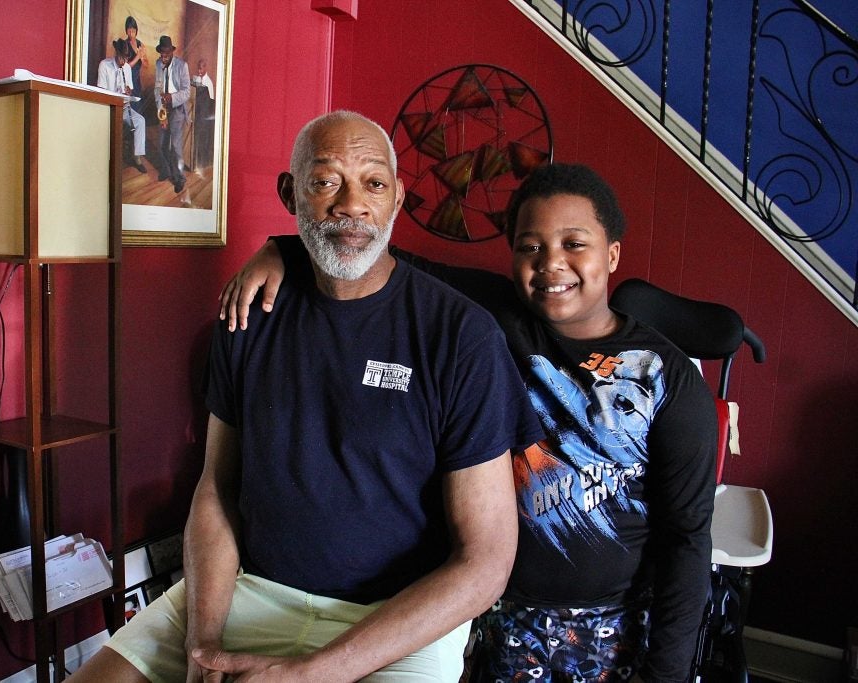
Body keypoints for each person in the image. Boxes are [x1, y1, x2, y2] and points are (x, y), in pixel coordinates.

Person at [69, 110, 543, 682]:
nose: (351, 204)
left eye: (373, 184)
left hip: (395, 620)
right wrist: (205, 647)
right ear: (290, 193)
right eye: (325, 182)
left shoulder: (462, 337)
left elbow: (486, 561)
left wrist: (312, 673)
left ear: (396, 201)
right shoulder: (248, 314)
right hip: (252, 590)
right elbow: (217, 488)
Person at [219, 163, 718, 682]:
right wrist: (283, 249)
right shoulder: (489, 318)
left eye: (575, 244)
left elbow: (687, 538)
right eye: (530, 247)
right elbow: (379, 259)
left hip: (609, 626)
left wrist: (667, 673)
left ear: (611, 253)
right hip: (492, 617)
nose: (551, 264)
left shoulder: (668, 378)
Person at [97, 38, 147, 173]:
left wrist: (128, 91)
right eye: (121, 58)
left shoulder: (126, 68)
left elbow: (129, 88)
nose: (123, 62)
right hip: (108, 108)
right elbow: (101, 92)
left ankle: (137, 158)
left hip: (124, 108)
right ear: (116, 53)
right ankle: (110, 161)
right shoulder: (104, 65)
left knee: (140, 121)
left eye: (125, 58)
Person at [154, 35, 190, 193]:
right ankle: (167, 171)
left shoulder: (182, 66)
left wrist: (172, 98)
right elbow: (157, 89)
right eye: (161, 54)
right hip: (164, 107)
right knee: (162, 144)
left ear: (172, 52)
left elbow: (187, 92)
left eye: (166, 54)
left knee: (175, 146)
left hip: (177, 109)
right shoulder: (158, 64)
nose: (163, 57)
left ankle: (179, 178)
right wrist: (161, 112)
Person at [190, 58, 216, 170]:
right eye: (198, 68)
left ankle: (202, 164)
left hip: (205, 115)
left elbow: (210, 102)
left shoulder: (208, 82)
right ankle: (195, 162)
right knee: (196, 138)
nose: (199, 71)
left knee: (202, 139)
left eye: (201, 69)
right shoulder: (198, 78)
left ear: (205, 68)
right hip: (198, 112)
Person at [122, 16, 146, 114]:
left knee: (137, 108)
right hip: (127, 80)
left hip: (136, 80)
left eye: (133, 30)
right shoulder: (124, 44)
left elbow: (146, 64)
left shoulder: (140, 44)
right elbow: (125, 67)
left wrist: (142, 58)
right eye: (129, 30)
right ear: (126, 31)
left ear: (136, 30)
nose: (131, 33)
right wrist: (137, 57)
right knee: (128, 108)